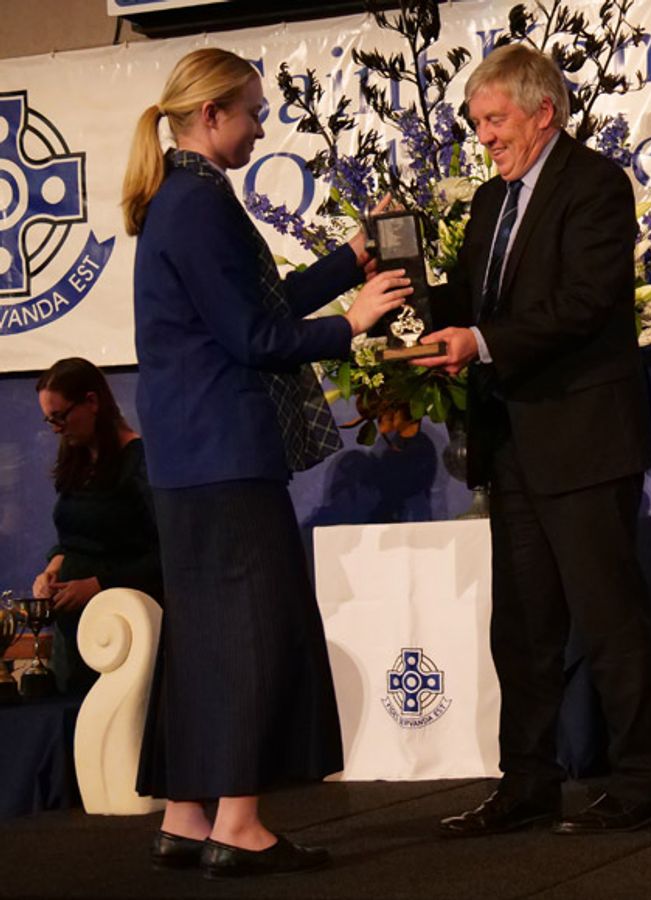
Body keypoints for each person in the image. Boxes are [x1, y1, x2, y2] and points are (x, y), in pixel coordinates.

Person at [121, 48, 411, 878]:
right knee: (255, 631)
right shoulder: (198, 203)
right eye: (252, 112)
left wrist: (350, 260)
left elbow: (254, 306)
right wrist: (353, 323)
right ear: (211, 115)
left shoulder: (179, 197)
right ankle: (240, 824)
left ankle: (186, 814)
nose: (260, 127)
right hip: (223, 454)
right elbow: (256, 337)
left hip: (189, 457)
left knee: (204, 637)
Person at [420, 44, 651, 836]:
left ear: (543, 112)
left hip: (584, 438)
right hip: (513, 442)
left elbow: (585, 303)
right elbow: (476, 302)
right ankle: (527, 784)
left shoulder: (594, 185)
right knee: (523, 629)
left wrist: (480, 343)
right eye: (476, 123)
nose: (484, 138)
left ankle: (644, 783)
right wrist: (407, 294)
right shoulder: (490, 202)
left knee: (608, 620)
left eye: (494, 120)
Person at [32, 358, 162, 697]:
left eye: (60, 417)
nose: (56, 429)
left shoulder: (141, 463)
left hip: (124, 630)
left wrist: (98, 584)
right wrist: (53, 568)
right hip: (73, 637)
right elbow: (73, 538)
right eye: (49, 420)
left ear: (92, 401)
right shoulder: (75, 461)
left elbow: (167, 555)